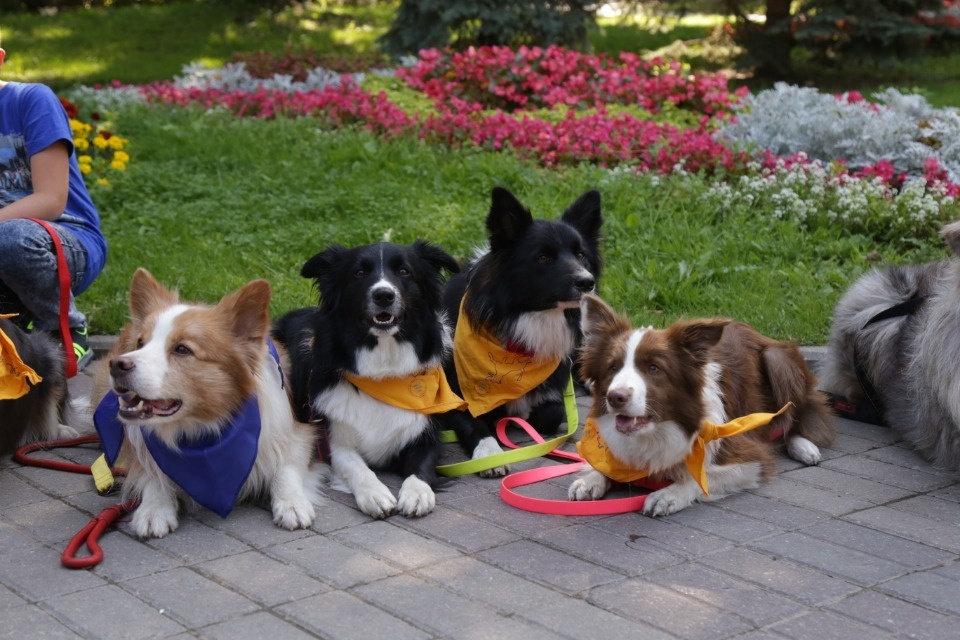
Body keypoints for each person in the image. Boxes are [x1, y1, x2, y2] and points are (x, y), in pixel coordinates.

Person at [0, 29, 107, 372]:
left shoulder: (30, 100)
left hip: (60, 239)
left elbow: (51, 200)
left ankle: (64, 330)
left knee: (11, 239)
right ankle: (18, 320)